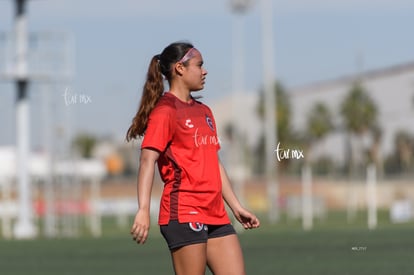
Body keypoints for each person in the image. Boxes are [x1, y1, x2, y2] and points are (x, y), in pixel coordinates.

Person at [126, 41, 260, 275]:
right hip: (184, 211)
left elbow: (214, 163)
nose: (204, 71)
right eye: (199, 65)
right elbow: (147, 161)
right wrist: (143, 209)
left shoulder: (204, 112)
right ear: (180, 68)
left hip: (216, 212)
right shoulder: (166, 111)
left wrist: (236, 207)